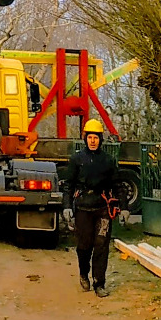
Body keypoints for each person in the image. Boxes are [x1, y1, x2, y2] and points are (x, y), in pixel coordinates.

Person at [64, 119, 119, 296]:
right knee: (84, 246)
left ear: (100, 139)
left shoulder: (108, 160)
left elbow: (116, 186)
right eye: (90, 137)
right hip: (83, 208)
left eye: (96, 137)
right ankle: (83, 273)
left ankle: (99, 283)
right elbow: (68, 185)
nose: (93, 141)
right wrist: (67, 207)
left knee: (101, 244)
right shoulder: (76, 159)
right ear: (85, 138)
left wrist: (122, 207)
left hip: (102, 208)